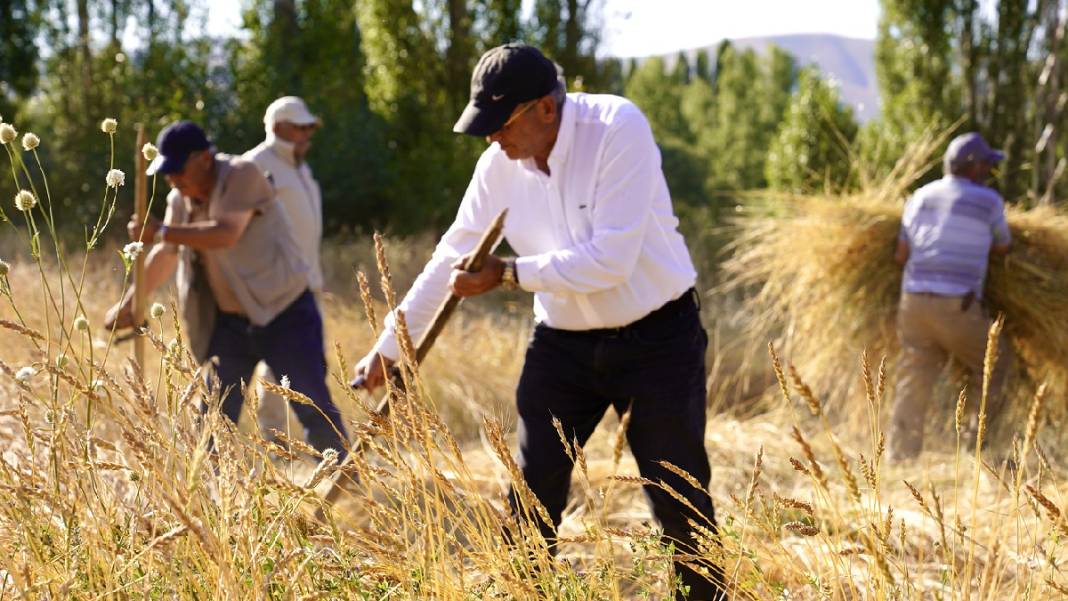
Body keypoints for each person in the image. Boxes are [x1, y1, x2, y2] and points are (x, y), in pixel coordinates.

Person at [352, 44, 726, 600]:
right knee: (530, 494)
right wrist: (391, 345)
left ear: (546, 109)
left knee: (677, 495)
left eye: (499, 123)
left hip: (657, 341)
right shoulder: (498, 166)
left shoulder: (618, 128)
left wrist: (507, 275)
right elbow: (451, 257)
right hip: (563, 347)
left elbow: (611, 261)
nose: (490, 138)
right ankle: (522, 592)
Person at [104, 120, 348, 458]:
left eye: (178, 170)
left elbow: (225, 233)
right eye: (167, 172)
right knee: (213, 417)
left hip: (285, 313)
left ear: (204, 158)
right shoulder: (180, 199)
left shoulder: (243, 174)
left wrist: (160, 232)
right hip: (231, 325)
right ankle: (211, 499)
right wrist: (133, 302)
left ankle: (346, 484)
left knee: (313, 406)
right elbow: (166, 254)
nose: (172, 180)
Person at [888, 131, 1013, 460]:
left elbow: (901, 255)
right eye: (986, 165)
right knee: (994, 365)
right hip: (956, 306)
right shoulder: (988, 201)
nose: (988, 172)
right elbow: (1003, 245)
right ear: (973, 168)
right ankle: (976, 452)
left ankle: (900, 457)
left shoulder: (919, 197)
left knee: (915, 374)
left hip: (912, 302)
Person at [244, 97, 326, 444]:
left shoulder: (299, 167)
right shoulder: (254, 166)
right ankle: (275, 446)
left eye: (309, 127)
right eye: (300, 126)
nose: (307, 133)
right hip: (274, 289)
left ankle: (314, 448)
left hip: (306, 283)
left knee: (305, 369)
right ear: (277, 128)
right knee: (278, 369)